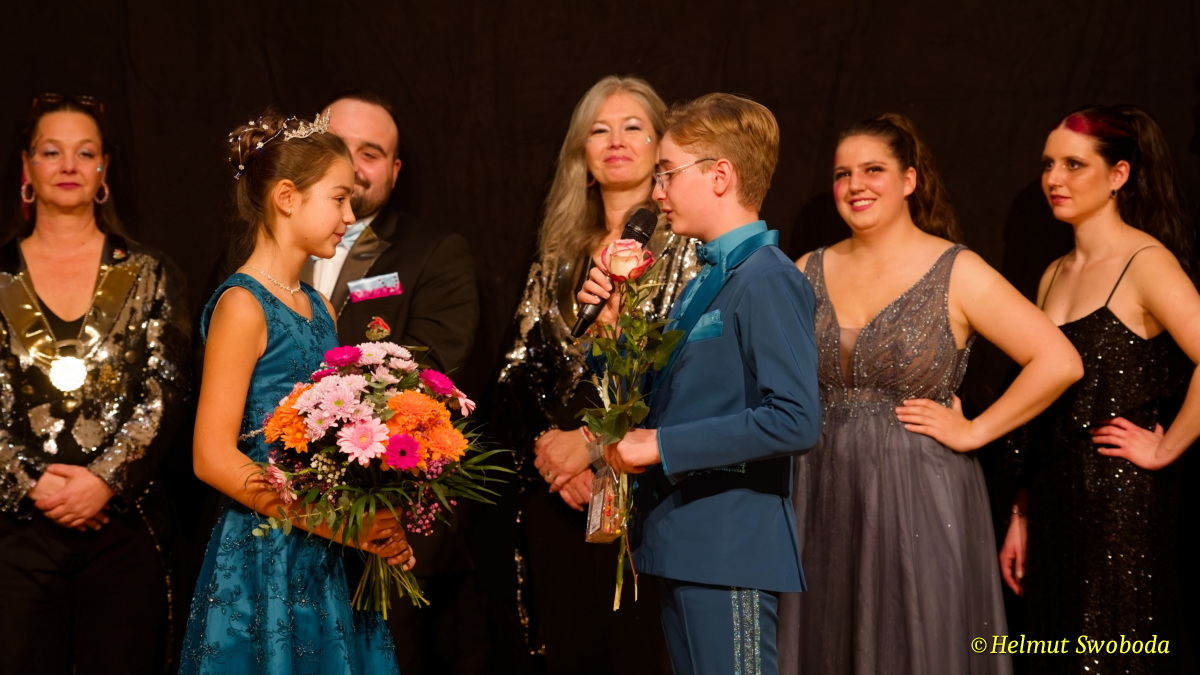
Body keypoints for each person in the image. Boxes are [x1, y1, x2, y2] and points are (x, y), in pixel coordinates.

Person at [778, 113, 1083, 675]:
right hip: (820, 489)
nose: (855, 185)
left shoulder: (955, 270)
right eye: (843, 174)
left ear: (909, 180)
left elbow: (1059, 361)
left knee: (915, 640)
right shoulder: (807, 269)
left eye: (873, 170)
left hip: (918, 492)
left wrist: (976, 431)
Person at [579, 92, 820, 675]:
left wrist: (661, 445)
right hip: (682, 541)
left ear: (720, 175)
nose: (656, 191)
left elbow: (796, 419)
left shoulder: (766, 277)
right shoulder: (703, 280)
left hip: (728, 548)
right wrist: (609, 332)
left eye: (667, 172)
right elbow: (655, 401)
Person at [179, 108, 413, 674]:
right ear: (287, 197)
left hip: (329, 551)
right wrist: (338, 523)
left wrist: (375, 520)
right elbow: (211, 456)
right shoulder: (243, 304)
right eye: (338, 198)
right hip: (268, 550)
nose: (349, 216)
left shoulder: (318, 307)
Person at [494, 75, 697, 673]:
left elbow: (688, 371)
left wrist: (594, 447)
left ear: (661, 148)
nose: (615, 141)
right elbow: (519, 369)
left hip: (649, 491)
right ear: (580, 154)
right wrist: (552, 453)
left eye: (633, 126)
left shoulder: (688, 249)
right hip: (560, 493)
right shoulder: (557, 256)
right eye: (599, 130)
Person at [998, 105, 1200, 674]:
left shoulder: (1146, 262)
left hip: (1120, 507)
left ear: (1118, 174)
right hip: (1053, 502)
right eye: (1048, 164)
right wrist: (1021, 514)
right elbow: (1039, 405)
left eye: (1073, 164)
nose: (1054, 179)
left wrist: (1166, 447)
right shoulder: (1052, 273)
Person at [0, 93, 190, 674]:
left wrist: (105, 480)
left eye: (85, 153)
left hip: (122, 528)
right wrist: (31, 483)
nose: (68, 166)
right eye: (51, 152)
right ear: (27, 167)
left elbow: (167, 388)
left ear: (104, 168)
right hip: (13, 530)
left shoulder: (149, 272)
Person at [309, 91, 482, 674]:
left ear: (395, 170)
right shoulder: (255, 251)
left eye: (371, 153)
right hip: (269, 513)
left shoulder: (433, 253)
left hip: (383, 518)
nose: (354, 165)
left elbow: (429, 373)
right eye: (339, 146)